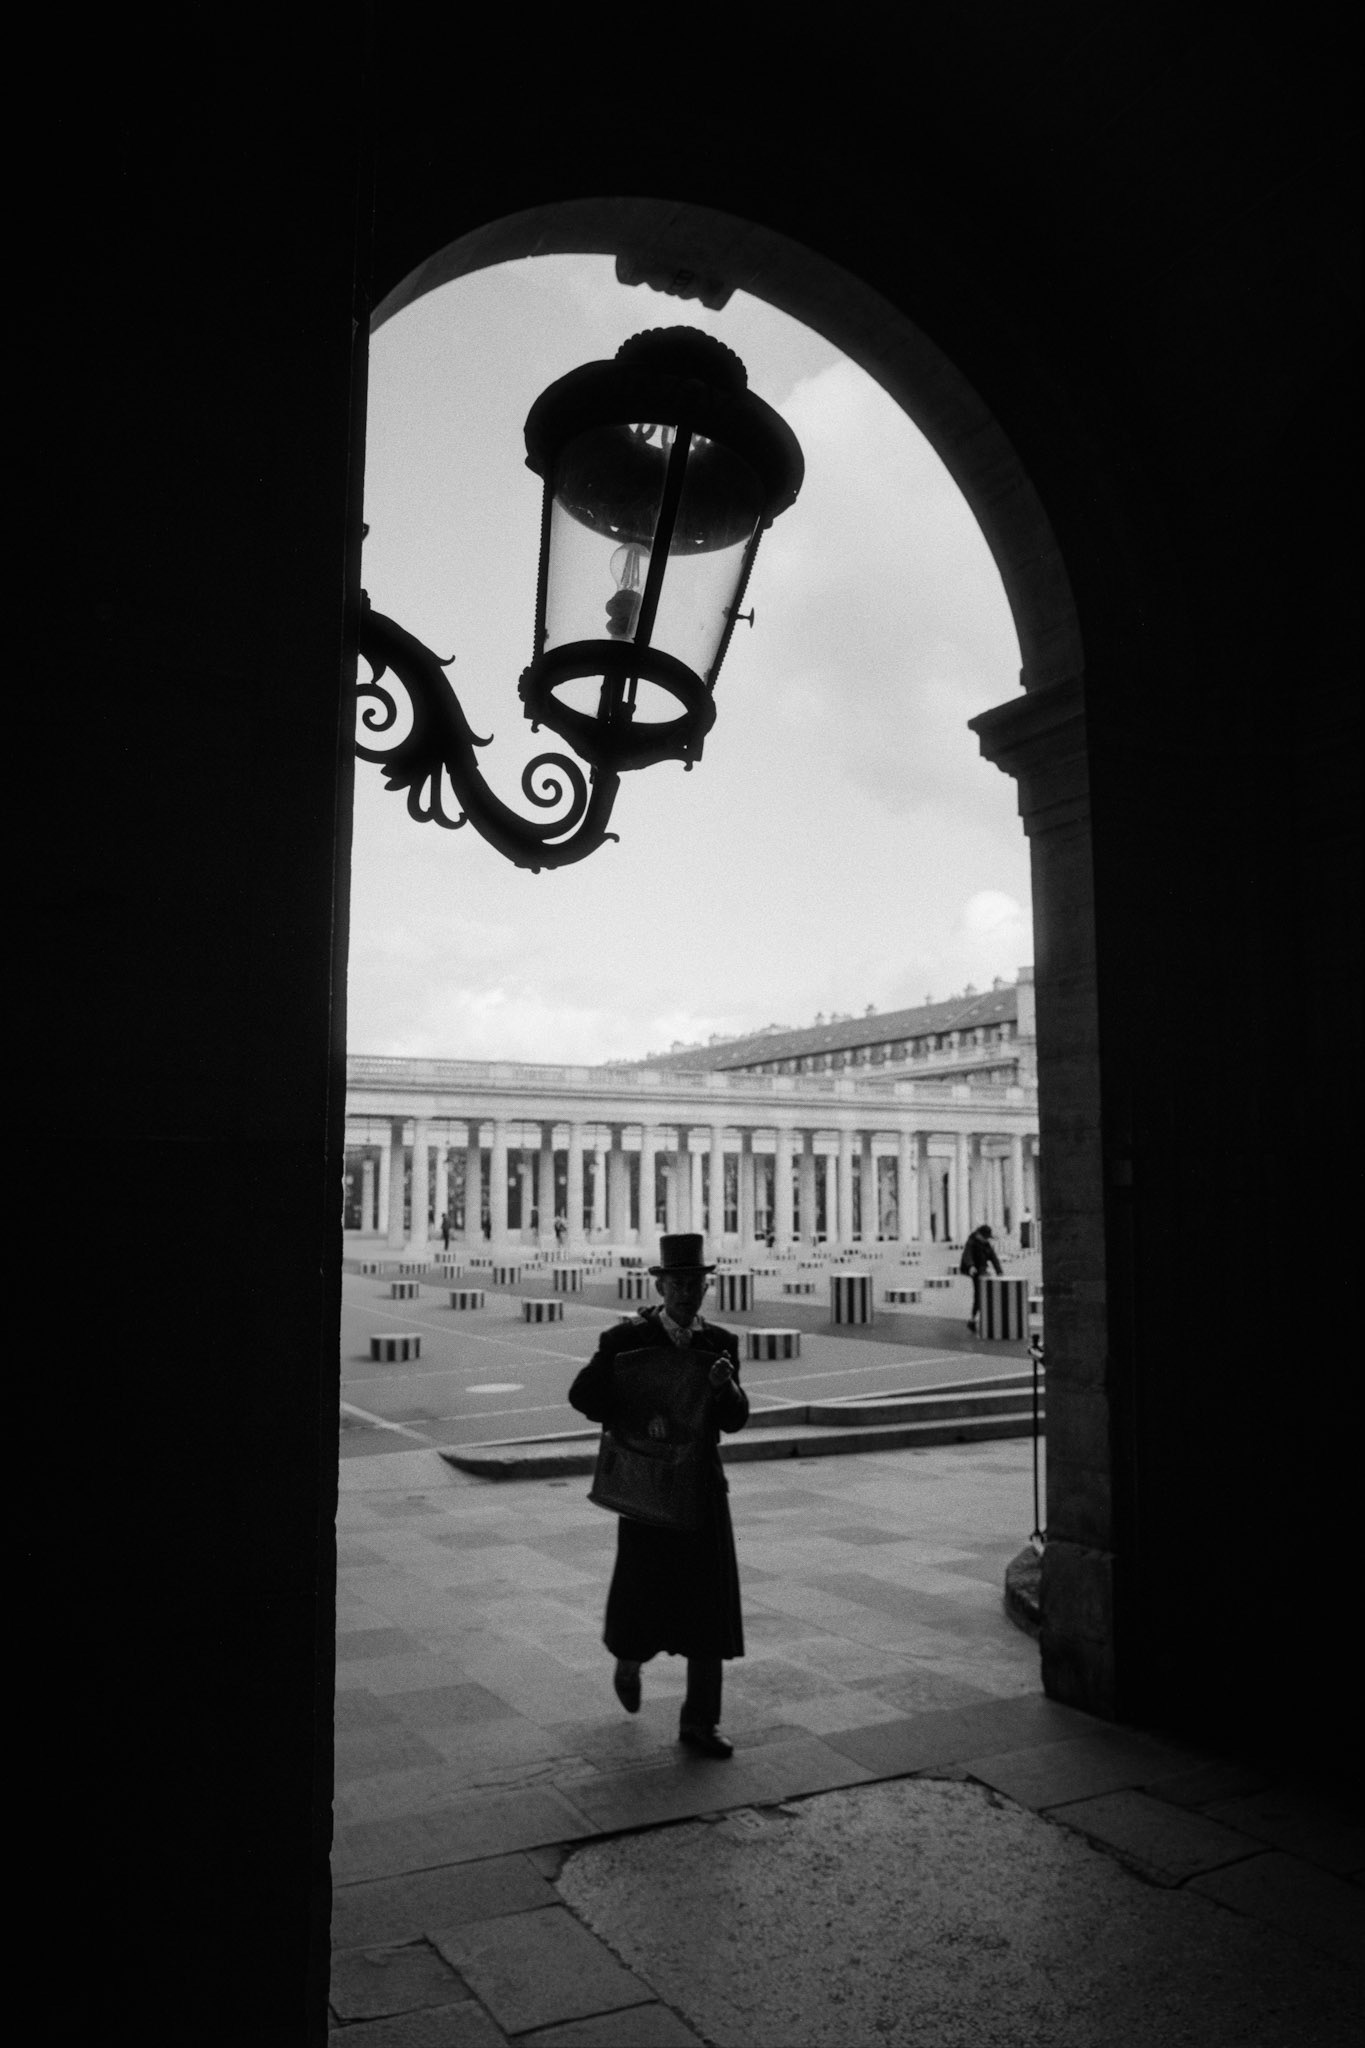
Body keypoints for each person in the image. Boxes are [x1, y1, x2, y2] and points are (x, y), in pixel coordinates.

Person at [568, 1233, 749, 1759]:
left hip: (701, 1488)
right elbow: (583, 1396)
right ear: (661, 1286)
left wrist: (725, 1388)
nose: (688, 1293)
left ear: (706, 1287)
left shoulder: (720, 1343)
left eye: (696, 1283)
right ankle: (628, 1663)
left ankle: (701, 1721)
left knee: (708, 1604)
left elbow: (736, 1420)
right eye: (679, 1283)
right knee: (641, 1591)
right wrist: (625, 1384)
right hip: (646, 1486)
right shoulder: (626, 1339)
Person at [961, 1222, 1003, 1333]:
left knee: (985, 1294)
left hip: (983, 1269)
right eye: (986, 1237)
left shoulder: (986, 1243)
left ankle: (981, 1319)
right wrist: (970, 1266)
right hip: (975, 1271)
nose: (987, 1240)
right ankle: (973, 1319)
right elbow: (967, 1255)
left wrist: (999, 1271)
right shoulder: (971, 1242)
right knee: (979, 1295)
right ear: (979, 1235)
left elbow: (993, 1257)